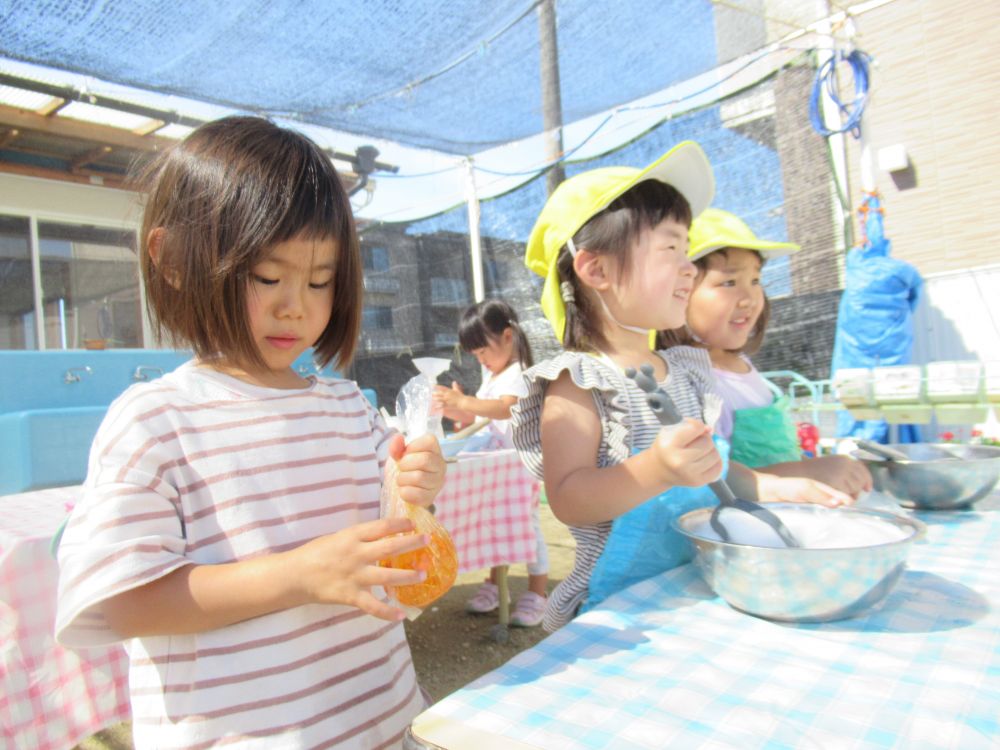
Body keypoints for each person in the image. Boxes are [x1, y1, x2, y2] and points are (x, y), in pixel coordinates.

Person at [54, 116, 446, 749]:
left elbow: (399, 530)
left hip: (380, 722)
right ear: (174, 259)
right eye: (269, 276)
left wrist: (419, 487)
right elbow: (123, 602)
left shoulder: (348, 408)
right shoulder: (157, 421)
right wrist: (301, 573)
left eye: (321, 280)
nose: (298, 304)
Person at [512, 143, 853, 631]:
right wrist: (655, 468)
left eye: (687, 250)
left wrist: (776, 485)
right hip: (619, 616)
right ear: (597, 270)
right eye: (671, 248)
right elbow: (567, 496)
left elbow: (708, 466)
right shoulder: (578, 383)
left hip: (692, 585)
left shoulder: (683, 371)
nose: (689, 267)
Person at [658, 207, 871, 497]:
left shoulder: (742, 364)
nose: (749, 298)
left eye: (755, 281)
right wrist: (809, 472)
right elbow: (709, 480)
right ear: (678, 291)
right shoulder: (687, 380)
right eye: (729, 282)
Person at [432, 299, 550, 627]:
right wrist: (455, 410)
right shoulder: (495, 374)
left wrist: (465, 402)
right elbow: (481, 414)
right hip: (499, 468)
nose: (482, 360)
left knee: (527, 526)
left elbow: (506, 408)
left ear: (508, 336)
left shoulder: (521, 372)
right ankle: (495, 585)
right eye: (476, 356)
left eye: (483, 352)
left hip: (521, 466)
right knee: (498, 525)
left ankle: (538, 593)